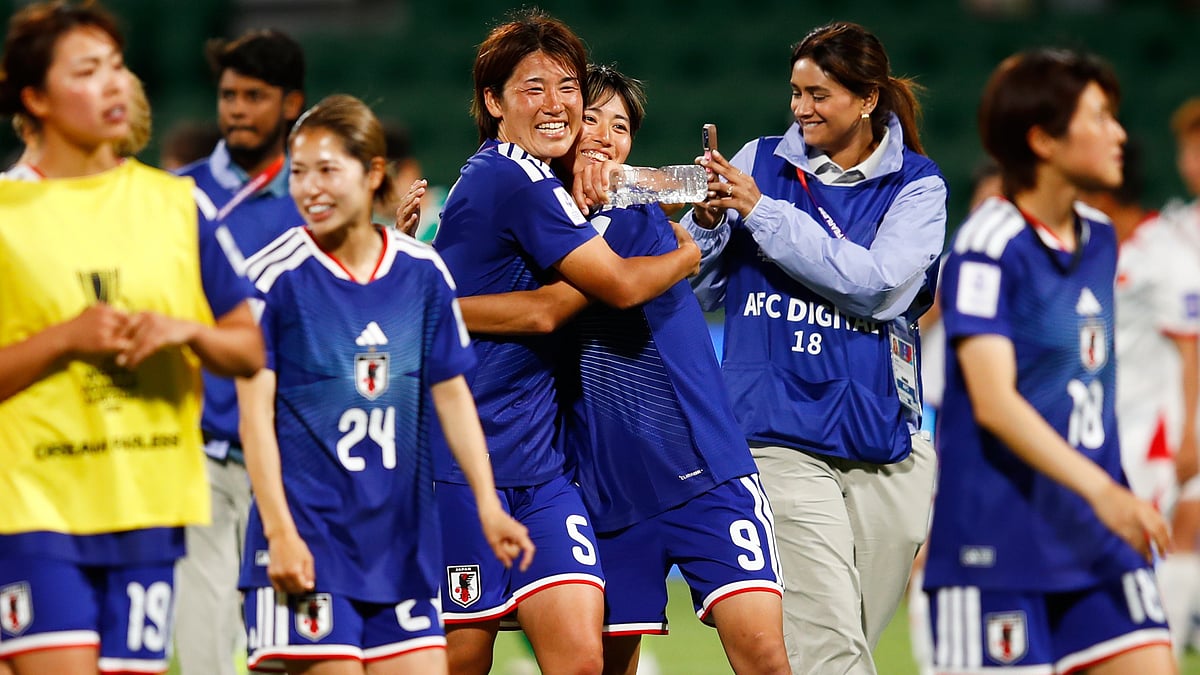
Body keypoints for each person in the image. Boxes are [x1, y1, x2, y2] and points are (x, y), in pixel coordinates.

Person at [411, 63, 789, 675]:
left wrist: (679, 208)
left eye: (621, 126)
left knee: (766, 656)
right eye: (593, 119)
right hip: (602, 491)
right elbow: (524, 297)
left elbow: (687, 182)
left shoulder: (640, 211)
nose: (606, 137)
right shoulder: (536, 221)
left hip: (703, 472)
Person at [432, 10, 700, 675]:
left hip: (542, 467)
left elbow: (681, 181)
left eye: (568, 86)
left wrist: (629, 186)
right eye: (533, 88)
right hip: (461, 466)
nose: (557, 105)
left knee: (582, 661)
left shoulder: (542, 181)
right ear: (494, 102)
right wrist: (683, 255)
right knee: (462, 662)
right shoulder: (510, 177)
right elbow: (573, 301)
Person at [0, 3, 264, 674]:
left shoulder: (173, 204)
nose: (114, 84)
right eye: (88, 71)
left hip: (149, 505)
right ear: (35, 97)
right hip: (35, 508)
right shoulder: (5, 214)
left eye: (117, 66)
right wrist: (66, 338)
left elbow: (249, 347)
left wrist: (187, 331)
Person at [233, 93, 533, 674]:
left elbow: (452, 399)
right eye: (298, 172)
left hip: (400, 544)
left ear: (373, 173)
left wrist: (488, 505)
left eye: (327, 170)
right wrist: (279, 533)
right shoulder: (275, 275)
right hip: (309, 538)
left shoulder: (422, 273)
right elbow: (255, 419)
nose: (310, 187)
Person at [680, 21, 945, 675]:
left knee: (838, 643)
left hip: (885, 441)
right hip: (778, 433)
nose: (801, 108)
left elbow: (878, 286)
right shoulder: (757, 160)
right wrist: (709, 223)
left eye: (818, 93)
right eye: (795, 92)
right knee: (829, 651)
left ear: (867, 98)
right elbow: (702, 289)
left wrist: (763, 213)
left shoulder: (917, 186)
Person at [924, 48, 1175, 672]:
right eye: (1100, 117)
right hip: (997, 542)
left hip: (1096, 535)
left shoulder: (1101, 238)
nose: (1120, 134)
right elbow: (995, 401)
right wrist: (1109, 492)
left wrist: (1107, 497)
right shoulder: (987, 246)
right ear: (1043, 140)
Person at [172, 27, 306, 675]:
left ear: (290, 103)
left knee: (286, 654)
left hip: (286, 462)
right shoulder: (177, 199)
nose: (236, 109)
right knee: (201, 656)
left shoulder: (316, 206)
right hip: (196, 450)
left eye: (255, 95)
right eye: (228, 95)